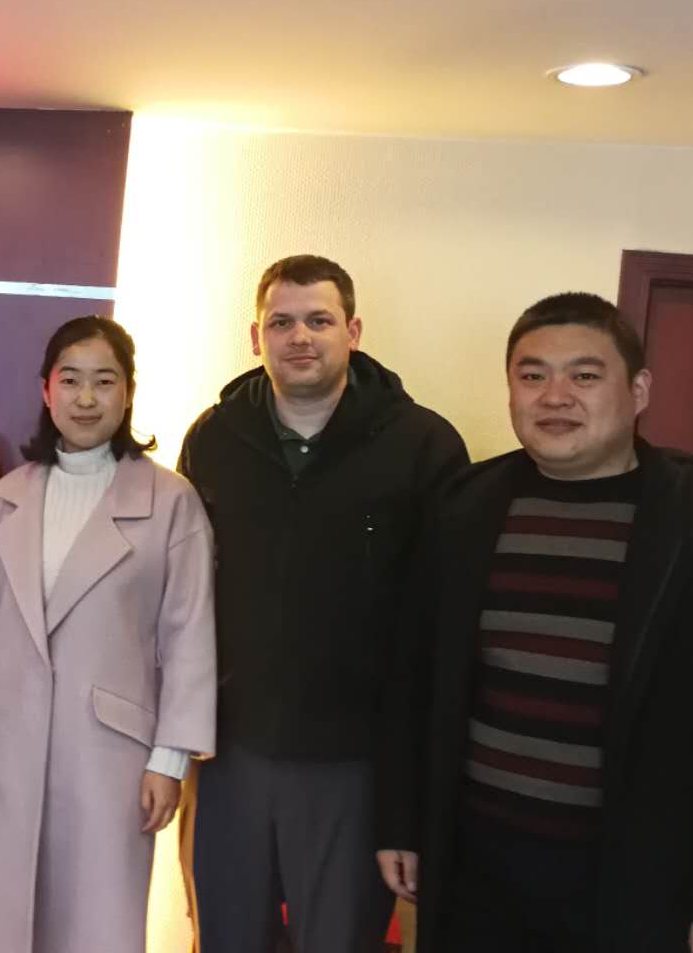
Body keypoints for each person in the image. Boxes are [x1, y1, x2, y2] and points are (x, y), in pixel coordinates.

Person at [376, 292, 693, 953]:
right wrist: (402, 822)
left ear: (638, 391)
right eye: (532, 375)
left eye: (584, 375)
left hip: (642, 878)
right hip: (476, 869)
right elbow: (414, 678)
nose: (555, 396)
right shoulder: (461, 507)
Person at [177, 254, 468, 952]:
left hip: (356, 759)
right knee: (226, 937)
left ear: (353, 331)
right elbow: (181, 588)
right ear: (256, 337)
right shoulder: (213, 437)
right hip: (233, 749)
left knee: (337, 940)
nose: (299, 337)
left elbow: (444, 613)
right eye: (281, 323)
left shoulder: (422, 444)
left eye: (318, 320)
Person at [0, 316, 216, 953]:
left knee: (96, 918)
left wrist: (169, 759)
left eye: (104, 381)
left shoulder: (170, 500)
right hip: (11, 735)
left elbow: (189, 634)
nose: (86, 398)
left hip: (112, 752)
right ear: (46, 390)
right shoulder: (11, 493)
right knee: (5, 911)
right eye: (70, 380)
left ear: (128, 393)